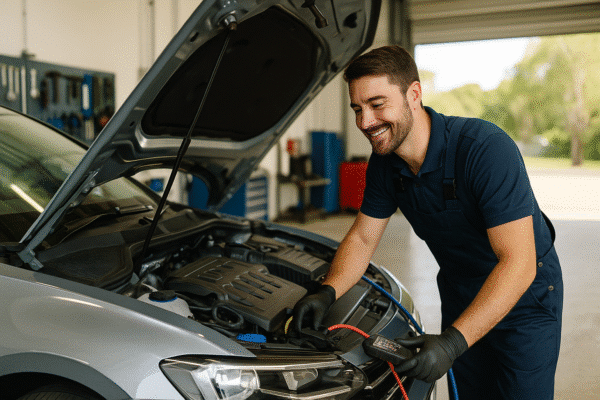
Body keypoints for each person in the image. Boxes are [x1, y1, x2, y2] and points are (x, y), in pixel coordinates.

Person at [293, 45, 563, 399]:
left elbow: (519, 261)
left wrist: (452, 343)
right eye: (358, 109)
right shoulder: (385, 165)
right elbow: (361, 238)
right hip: (462, 292)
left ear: (414, 94)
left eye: (377, 104)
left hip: (524, 298)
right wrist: (327, 291)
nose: (365, 122)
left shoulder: (484, 149)